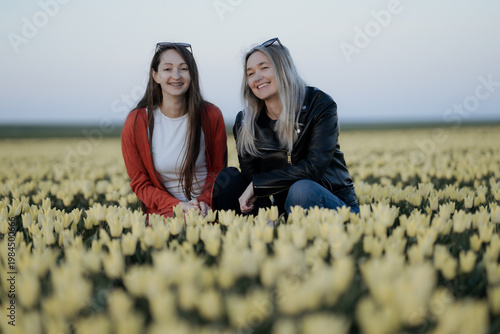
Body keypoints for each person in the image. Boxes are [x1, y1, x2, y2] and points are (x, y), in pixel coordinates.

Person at [214, 37, 358, 216]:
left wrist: (257, 186)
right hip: (284, 208)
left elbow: (313, 168)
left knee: (301, 190)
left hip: (332, 204)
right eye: (250, 73)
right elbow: (251, 175)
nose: (257, 78)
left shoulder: (318, 105)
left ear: (283, 69)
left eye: (264, 68)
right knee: (230, 180)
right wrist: (266, 214)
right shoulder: (245, 121)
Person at [122, 42, 227, 219]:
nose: (176, 76)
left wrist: (202, 203)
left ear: (192, 74)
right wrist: (178, 206)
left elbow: (217, 172)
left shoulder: (211, 116)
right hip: (163, 211)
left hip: (205, 209)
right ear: (155, 75)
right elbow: (140, 184)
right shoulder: (136, 122)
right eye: (168, 69)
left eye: (183, 68)